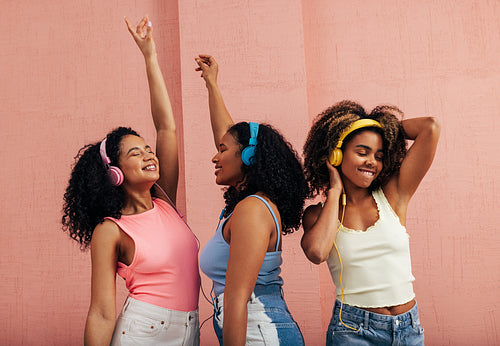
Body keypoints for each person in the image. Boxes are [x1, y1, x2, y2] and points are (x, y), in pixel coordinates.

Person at [62, 17, 200, 345]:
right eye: (135, 153)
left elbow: (166, 127)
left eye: (147, 149)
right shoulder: (111, 230)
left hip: (190, 331)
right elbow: (101, 312)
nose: (149, 155)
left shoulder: (164, 200)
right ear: (115, 173)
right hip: (141, 331)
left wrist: (149, 56)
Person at [301, 100, 440, 345]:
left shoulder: (394, 195)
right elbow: (317, 252)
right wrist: (334, 190)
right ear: (336, 154)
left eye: (378, 155)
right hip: (353, 331)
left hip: (408, 328)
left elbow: (430, 128)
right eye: (362, 152)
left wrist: (383, 128)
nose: (372, 162)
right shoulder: (317, 214)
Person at [195, 55, 307, 346]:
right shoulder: (249, 205)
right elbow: (231, 135)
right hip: (257, 330)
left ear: (248, 157)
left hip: (260, 333)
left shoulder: (252, 211)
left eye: (222, 149)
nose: (215, 156)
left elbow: (236, 300)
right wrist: (212, 84)